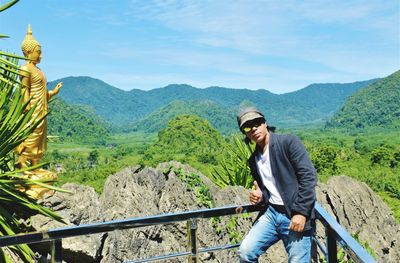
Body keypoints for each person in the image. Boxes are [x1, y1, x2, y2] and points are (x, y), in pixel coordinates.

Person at [237, 107, 317, 263]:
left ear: (265, 123)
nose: (254, 128)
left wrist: (301, 212)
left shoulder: (288, 142)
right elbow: (270, 189)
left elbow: (308, 177)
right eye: (248, 127)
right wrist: (261, 197)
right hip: (271, 213)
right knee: (246, 252)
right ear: (245, 133)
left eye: (257, 123)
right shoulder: (254, 160)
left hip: (293, 214)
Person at [16, 24, 62, 169]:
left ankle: (35, 165)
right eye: (38, 52)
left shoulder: (39, 71)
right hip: (32, 110)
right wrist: (27, 109)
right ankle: (22, 162)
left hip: (41, 109)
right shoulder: (25, 69)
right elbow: (25, 90)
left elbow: (41, 92)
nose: (40, 55)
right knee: (31, 137)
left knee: (40, 139)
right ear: (29, 52)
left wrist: (53, 92)